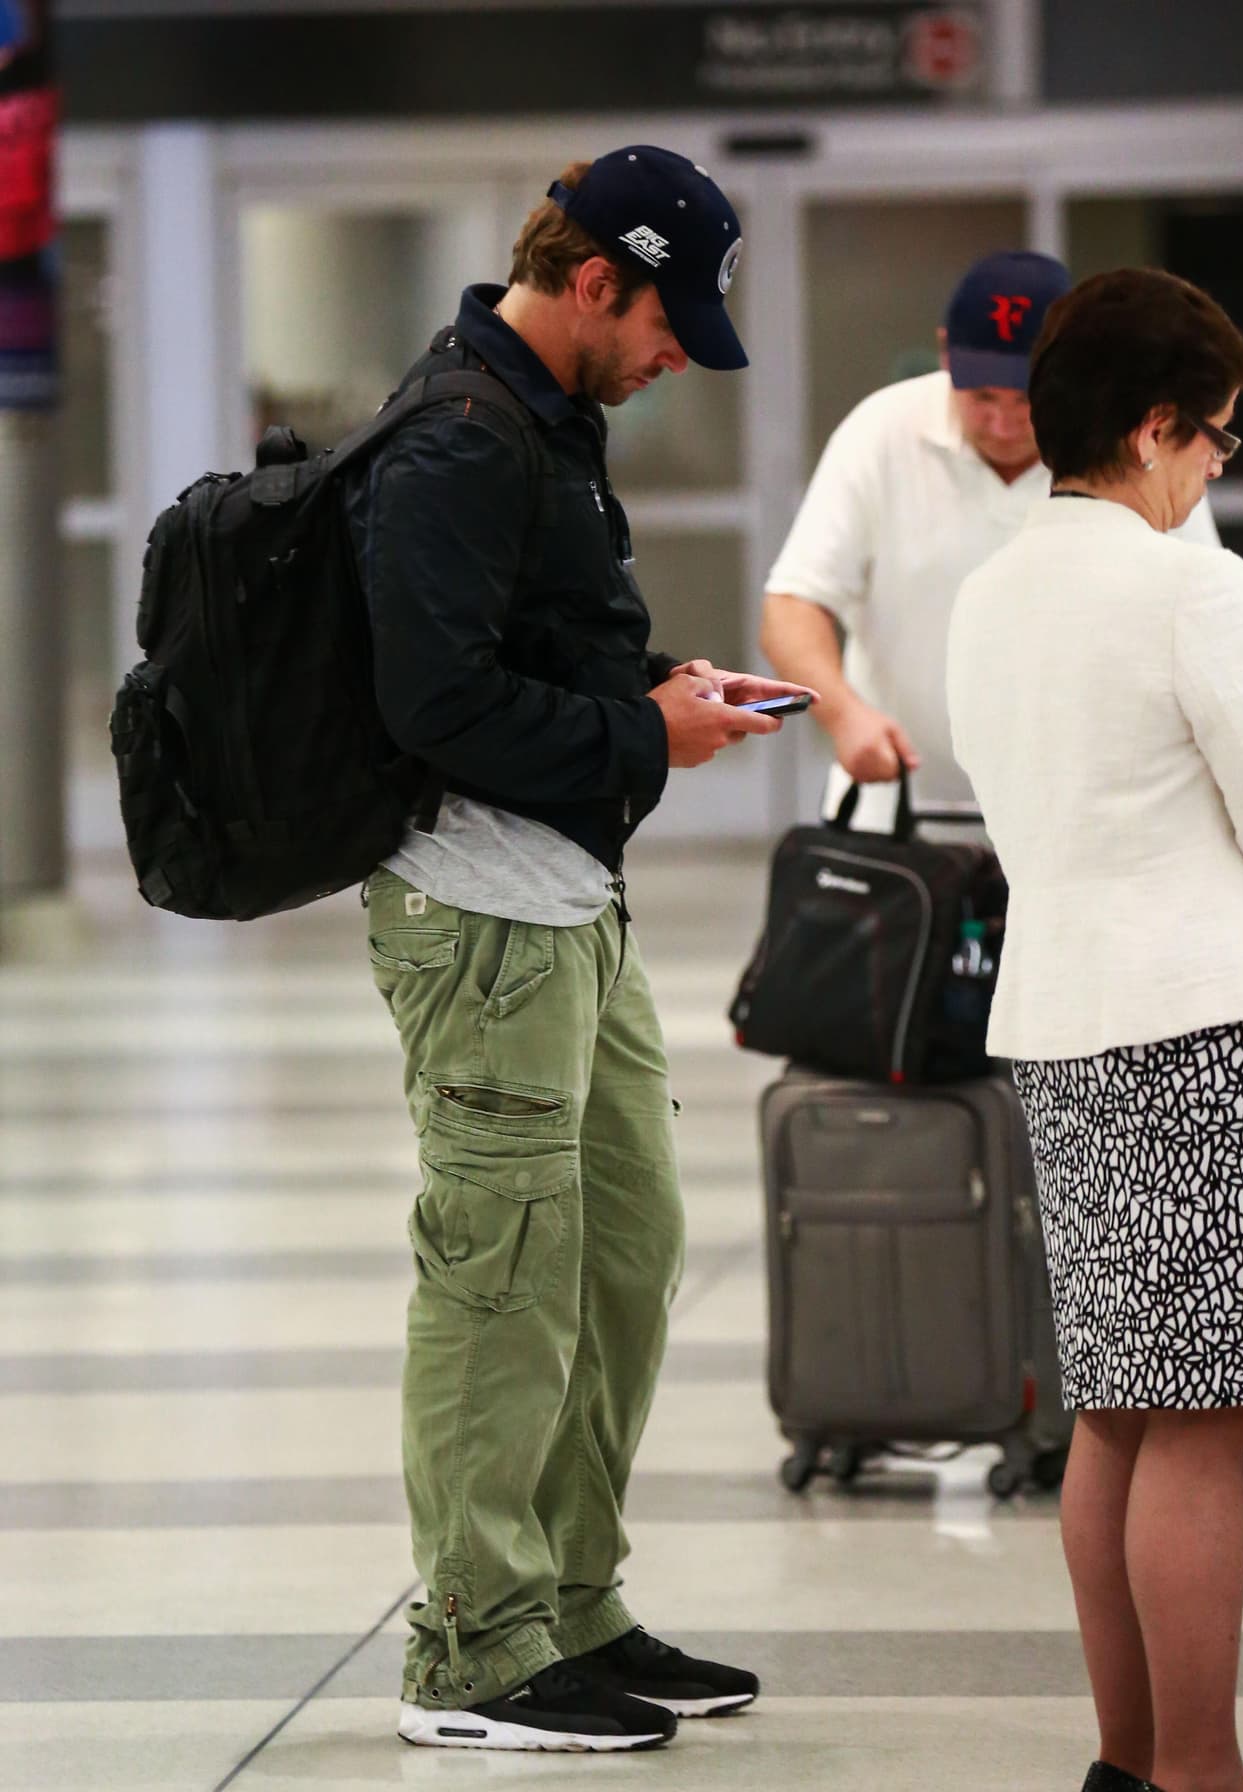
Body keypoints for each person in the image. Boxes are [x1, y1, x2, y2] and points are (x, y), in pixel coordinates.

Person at [345, 146, 811, 1754]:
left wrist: (664, 691)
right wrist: (645, 735)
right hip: (477, 918)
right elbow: (434, 704)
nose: (680, 348)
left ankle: (571, 1604)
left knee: (622, 1253)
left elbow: (521, 650)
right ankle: (471, 1651)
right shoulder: (460, 436)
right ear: (595, 278)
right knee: (502, 1279)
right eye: (668, 317)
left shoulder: (545, 420)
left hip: (566, 903)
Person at [946, 268, 1243, 1792]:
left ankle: (1132, 1761)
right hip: (1201, 1029)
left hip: (1063, 1023)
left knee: (1120, 1415)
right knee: (1204, 1425)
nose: (1217, 464)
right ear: (1150, 433)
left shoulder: (995, 587)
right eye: (1210, 437)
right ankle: (1209, 1772)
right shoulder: (1192, 583)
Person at [760, 251, 1219, 829]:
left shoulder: (1131, 449)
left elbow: (1201, 619)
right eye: (981, 397)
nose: (1002, 424)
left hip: (1085, 823)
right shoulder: (881, 432)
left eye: (1024, 400)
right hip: (902, 814)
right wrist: (846, 715)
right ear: (946, 351)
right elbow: (792, 603)